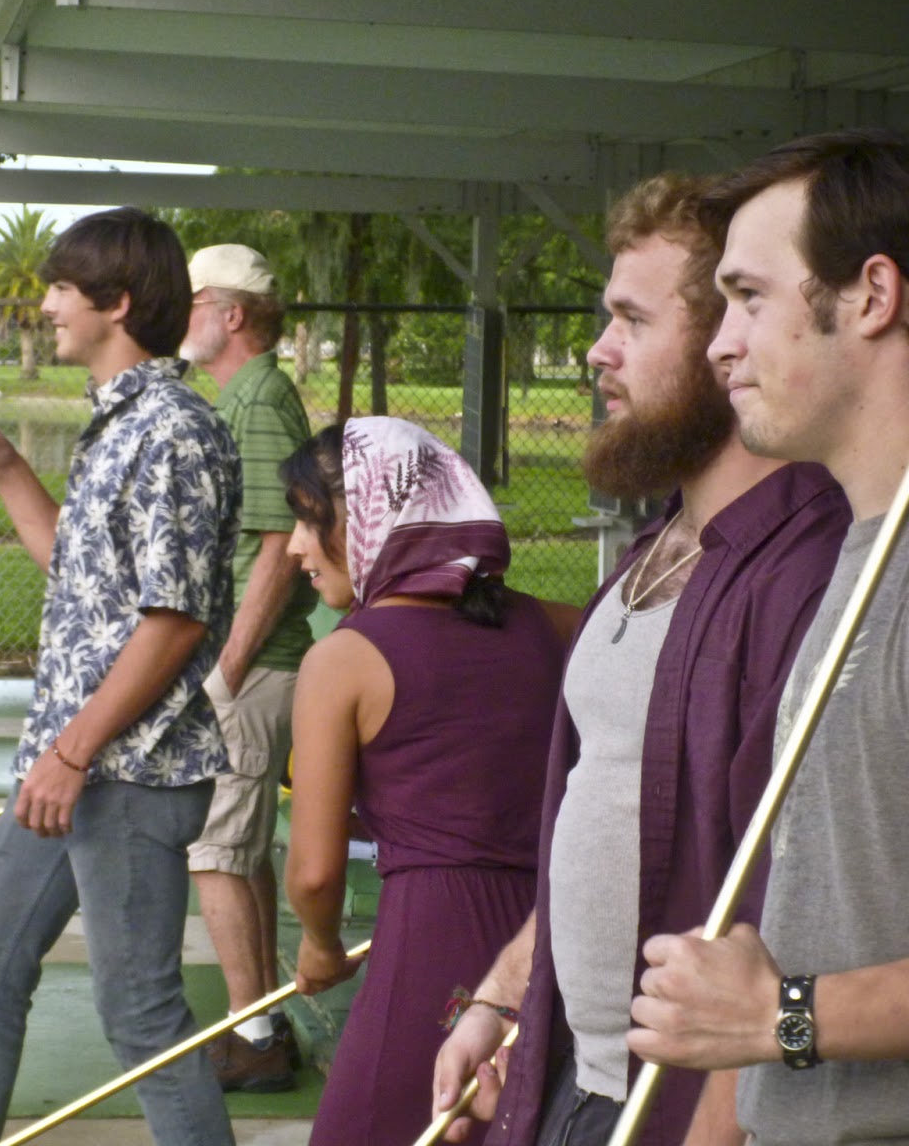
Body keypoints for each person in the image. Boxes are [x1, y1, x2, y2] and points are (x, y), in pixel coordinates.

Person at [431, 175, 849, 1146]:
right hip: (569, 1075)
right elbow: (603, 814)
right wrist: (500, 1001)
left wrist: (717, 1125)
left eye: (629, 319)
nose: (596, 351)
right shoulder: (653, 545)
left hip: (678, 1109)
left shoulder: (808, 574)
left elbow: (793, 902)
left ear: (721, 343)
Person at [0, 207, 241, 1146]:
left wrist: (73, 751)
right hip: (68, 768)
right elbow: (84, 575)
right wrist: (13, 473)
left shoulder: (175, 431)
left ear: (116, 302)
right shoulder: (119, 424)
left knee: (142, 1014)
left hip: (124, 775)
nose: (47, 304)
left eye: (63, 287)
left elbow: (174, 620)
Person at [627, 130, 909, 1143]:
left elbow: (768, 1007)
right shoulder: (856, 548)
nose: (718, 343)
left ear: (870, 297)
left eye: (749, 298)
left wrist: (777, 1018)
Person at [282, 416, 575, 1146]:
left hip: (429, 946)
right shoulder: (561, 627)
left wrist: (320, 944)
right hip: (556, 934)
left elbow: (316, 873)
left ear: (374, 517)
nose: (293, 547)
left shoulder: (342, 659)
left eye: (309, 522)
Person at [180, 243, 317, 1093]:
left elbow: (278, 543)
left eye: (195, 303)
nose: (182, 316)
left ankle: (256, 1037)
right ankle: (260, 1017)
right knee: (242, 850)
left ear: (232, 314)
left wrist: (226, 668)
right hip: (256, 657)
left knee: (216, 852)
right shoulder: (247, 395)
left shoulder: (259, 400)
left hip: (255, 660)